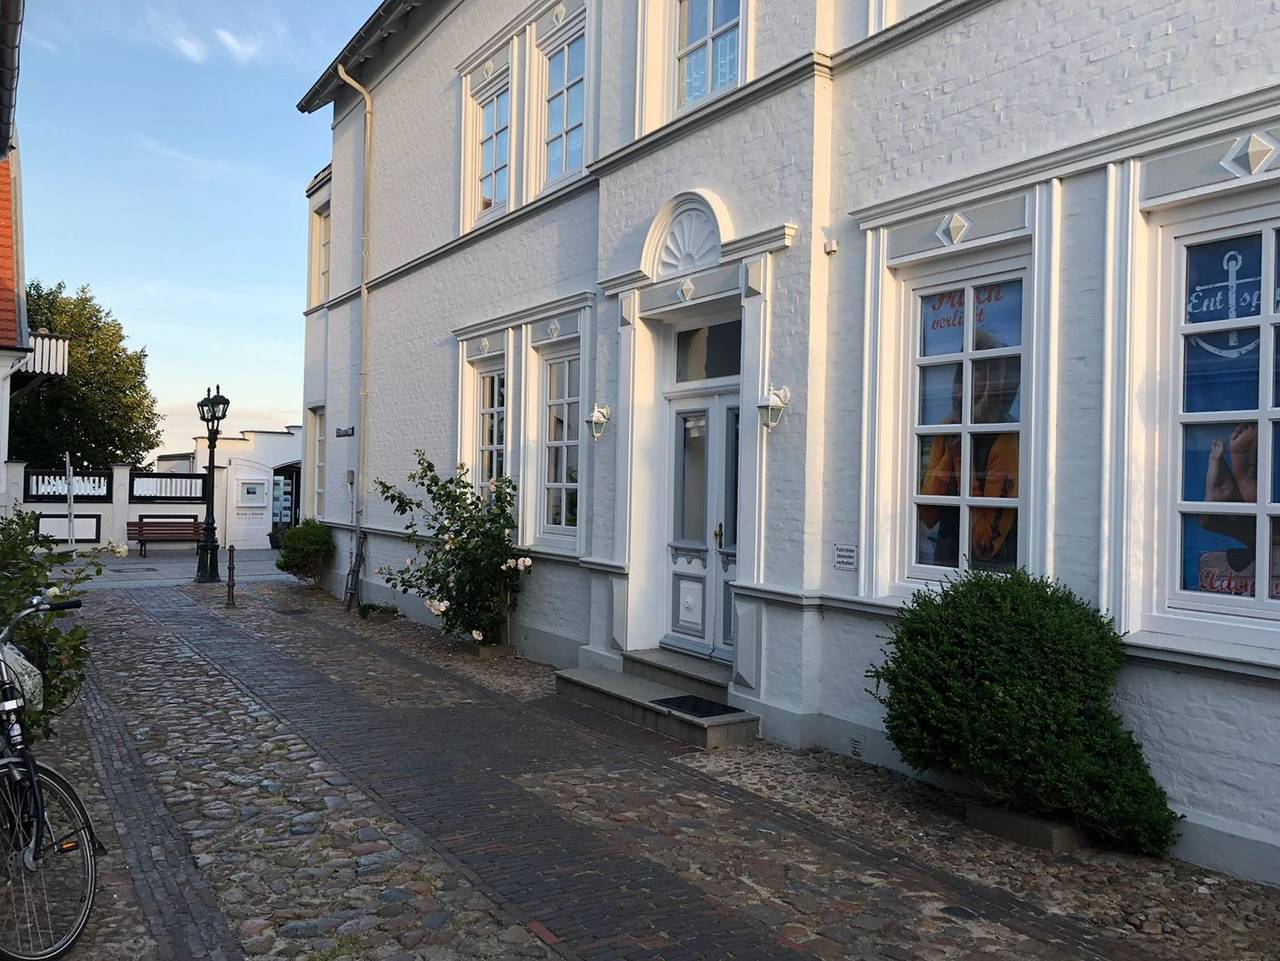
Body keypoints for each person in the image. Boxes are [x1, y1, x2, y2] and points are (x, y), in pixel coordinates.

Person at [920, 331, 1019, 568]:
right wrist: (950, 455)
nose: (975, 378)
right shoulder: (949, 427)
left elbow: (985, 544)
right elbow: (928, 514)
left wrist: (960, 459)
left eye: (988, 369)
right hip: (942, 566)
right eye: (973, 369)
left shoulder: (1005, 439)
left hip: (989, 575)